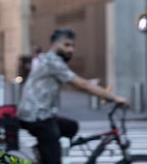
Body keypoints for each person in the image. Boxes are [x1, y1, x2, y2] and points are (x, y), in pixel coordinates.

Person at [17, 29, 129, 164]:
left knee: (71, 127)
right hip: (36, 116)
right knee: (53, 158)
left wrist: (90, 85)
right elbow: (82, 84)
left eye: (73, 46)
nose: (71, 50)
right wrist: (114, 97)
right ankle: (49, 153)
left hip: (41, 114)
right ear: (54, 44)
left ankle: (44, 150)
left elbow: (75, 83)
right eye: (66, 45)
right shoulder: (53, 61)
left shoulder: (52, 60)